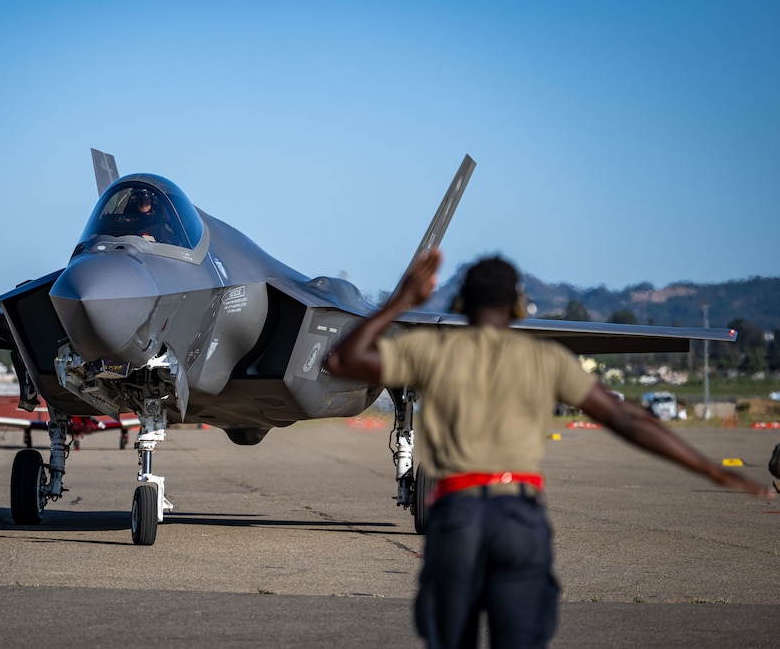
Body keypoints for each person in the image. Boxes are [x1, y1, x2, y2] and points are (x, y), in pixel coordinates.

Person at [325, 249, 772, 649]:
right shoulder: (546, 358)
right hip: (519, 517)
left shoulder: (432, 352)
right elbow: (628, 420)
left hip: (456, 516)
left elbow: (343, 359)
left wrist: (402, 300)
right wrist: (713, 470)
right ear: (519, 306)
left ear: (460, 305)